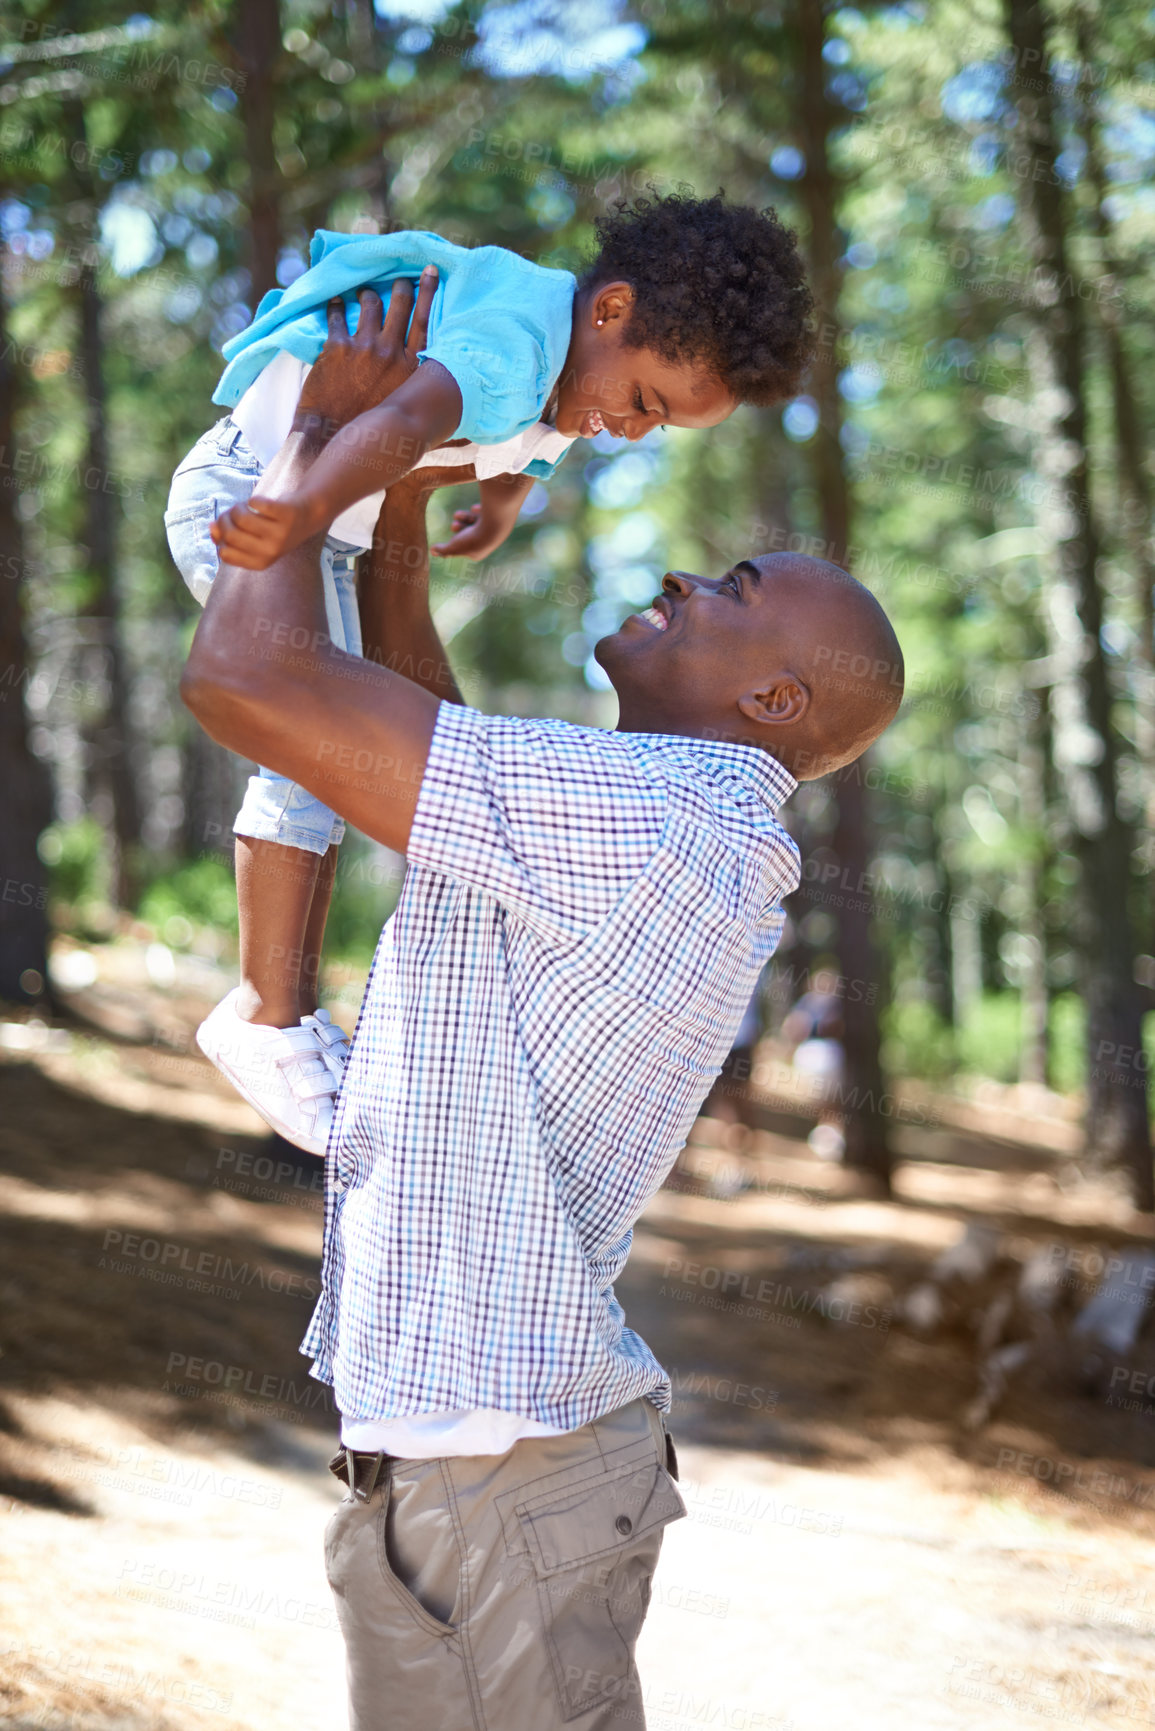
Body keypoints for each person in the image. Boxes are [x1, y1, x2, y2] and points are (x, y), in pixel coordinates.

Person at [180, 281, 904, 1731]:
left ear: (771, 701)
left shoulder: (654, 816)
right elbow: (418, 730)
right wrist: (391, 517)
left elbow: (250, 675)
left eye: (736, 590)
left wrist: (313, 438)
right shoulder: (663, 817)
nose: (691, 578)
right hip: (460, 1457)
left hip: (503, 1468)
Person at [165, 193, 814, 1153]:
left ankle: (281, 1010)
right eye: (643, 401)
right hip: (252, 494)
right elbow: (412, 420)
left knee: (331, 751)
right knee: (303, 756)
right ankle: (265, 1011)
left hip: (323, 525)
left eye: (660, 427)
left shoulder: (561, 368)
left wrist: (500, 502)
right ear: (610, 311)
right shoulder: (515, 339)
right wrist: (300, 505)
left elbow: (522, 443)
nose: (632, 432)